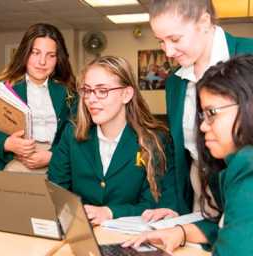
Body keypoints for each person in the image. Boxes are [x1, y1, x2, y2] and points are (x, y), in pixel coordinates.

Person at [123, 54, 253, 255]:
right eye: (203, 115)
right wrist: (180, 232)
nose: (202, 126)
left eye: (212, 113)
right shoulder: (234, 164)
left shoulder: (247, 167)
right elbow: (228, 226)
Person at [142, 0, 253, 222]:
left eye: (175, 39)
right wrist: (172, 206)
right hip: (202, 190)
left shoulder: (248, 55)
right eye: (161, 42)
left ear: (204, 21)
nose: (169, 52)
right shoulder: (175, 82)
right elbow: (177, 154)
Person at [48, 56, 178, 225]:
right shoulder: (71, 134)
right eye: (87, 90)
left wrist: (110, 212)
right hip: (81, 233)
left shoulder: (155, 140)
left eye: (102, 91)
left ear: (126, 94)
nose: (91, 99)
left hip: (132, 238)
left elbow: (156, 205)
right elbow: (56, 191)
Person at [0, 23, 76, 171]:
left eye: (51, 55)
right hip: (9, 164)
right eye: (36, 53)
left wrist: (52, 155)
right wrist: (7, 143)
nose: (42, 62)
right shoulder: (1, 89)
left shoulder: (70, 93)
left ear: (58, 59)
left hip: (55, 163)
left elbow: (78, 134)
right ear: (25, 53)